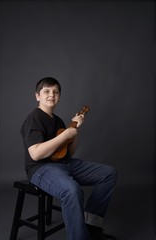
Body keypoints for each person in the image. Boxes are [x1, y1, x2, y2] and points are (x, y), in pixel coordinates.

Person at [21, 77, 117, 240]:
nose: (51, 95)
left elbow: (68, 153)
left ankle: (92, 227)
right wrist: (65, 134)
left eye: (55, 92)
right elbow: (36, 154)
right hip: (41, 169)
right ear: (37, 96)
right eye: (46, 91)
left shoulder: (57, 120)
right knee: (71, 190)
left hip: (64, 163)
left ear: (59, 96)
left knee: (108, 174)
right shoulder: (34, 118)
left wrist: (75, 131)